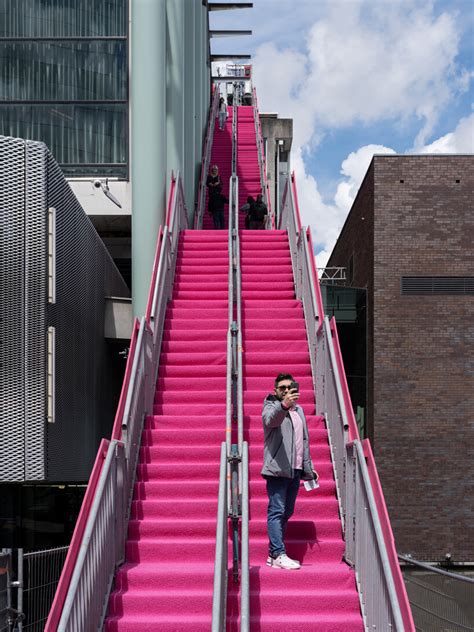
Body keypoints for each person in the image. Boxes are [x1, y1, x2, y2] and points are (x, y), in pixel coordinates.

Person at [261, 373, 319, 570]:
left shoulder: (299, 410)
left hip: (295, 469)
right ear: (275, 390)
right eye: (282, 388)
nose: (286, 391)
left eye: (289, 387)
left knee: (288, 511)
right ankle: (278, 553)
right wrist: (283, 405)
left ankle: (272, 554)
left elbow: (303, 442)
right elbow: (270, 421)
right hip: (277, 469)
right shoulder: (271, 405)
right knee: (277, 510)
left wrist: (308, 468)